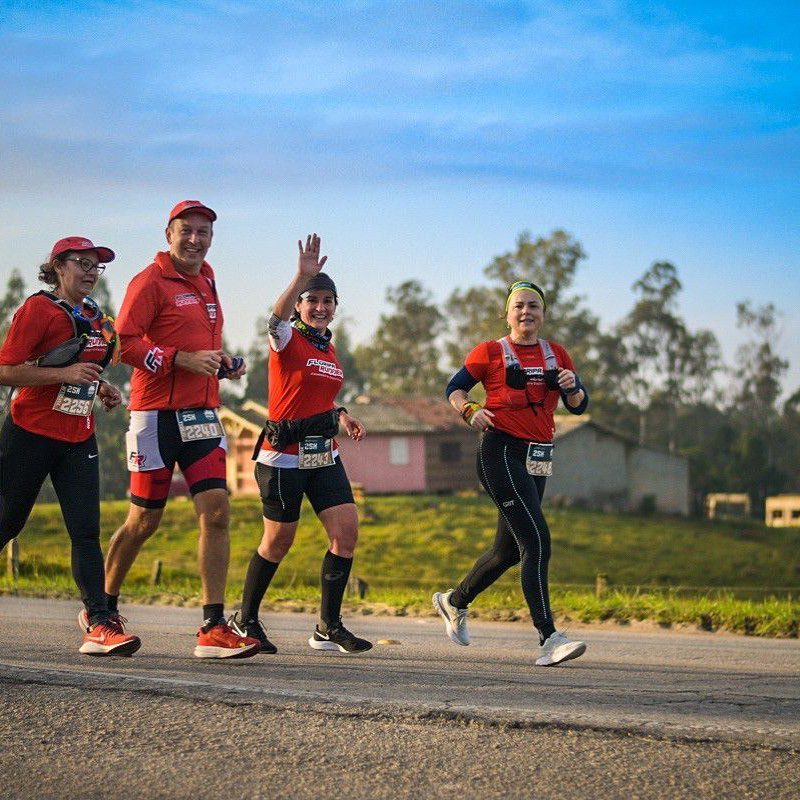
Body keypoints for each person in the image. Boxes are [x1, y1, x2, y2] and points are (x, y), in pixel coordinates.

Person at [102, 200, 259, 659]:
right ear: (168, 234)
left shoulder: (207, 278)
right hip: (153, 417)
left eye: (203, 232)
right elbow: (122, 344)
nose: (195, 240)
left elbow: (196, 342)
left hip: (203, 416)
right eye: (186, 231)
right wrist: (179, 359)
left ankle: (212, 627)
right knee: (144, 521)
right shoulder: (149, 281)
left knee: (216, 512)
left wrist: (223, 362)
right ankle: (102, 611)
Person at [434, 280, 589, 666]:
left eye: (534, 306)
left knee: (506, 552)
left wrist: (574, 386)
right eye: (519, 306)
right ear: (508, 314)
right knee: (536, 541)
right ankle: (549, 638)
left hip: (538, 457)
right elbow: (454, 388)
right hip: (499, 451)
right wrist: (470, 410)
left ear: (543, 314)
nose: (526, 312)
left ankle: (454, 601)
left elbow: (578, 405)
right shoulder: (490, 352)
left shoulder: (558, 355)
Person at [229, 234, 371, 654]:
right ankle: (245, 619)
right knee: (278, 542)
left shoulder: (329, 349)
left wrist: (341, 415)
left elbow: (321, 395)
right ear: (299, 306)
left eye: (328, 300)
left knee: (346, 532)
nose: (321, 307)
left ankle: (329, 626)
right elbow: (272, 320)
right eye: (313, 300)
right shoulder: (287, 337)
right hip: (282, 457)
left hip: (323, 455)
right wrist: (300, 276)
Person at [0, 236, 140, 656]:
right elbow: (6, 370)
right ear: (58, 266)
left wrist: (105, 388)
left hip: (79, 436)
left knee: (85, 531)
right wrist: (63, 377)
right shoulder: (38, 310)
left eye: (96, 266)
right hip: (29, 432)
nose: (90, 272)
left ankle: (99, 621)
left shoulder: (99, 317)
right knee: (8, 523)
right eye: (82, 263)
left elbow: (85, 368)